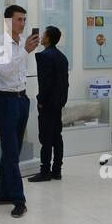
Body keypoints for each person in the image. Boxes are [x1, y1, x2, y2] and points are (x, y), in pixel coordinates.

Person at [0, 5, 37, 217]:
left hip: (21, 98)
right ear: (8, 21)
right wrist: (25, 51)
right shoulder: (0, 43)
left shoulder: (22, 41)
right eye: (19, 19)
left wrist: (25, 50)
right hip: (5, 100)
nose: (23, 23)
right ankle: (19, 199)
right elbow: (6, 72)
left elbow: (21, 73)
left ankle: (3, 193)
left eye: (25, 19)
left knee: (13, 151)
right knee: (10, 150)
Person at [29, 25, 68, 183]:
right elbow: (64, 82)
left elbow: (45, 82)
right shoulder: (62, 57)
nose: (41, 37)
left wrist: (41, 100)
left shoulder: (45, 56)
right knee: (56, 136)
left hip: (48, 103)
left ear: (48, 38)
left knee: (45, 138)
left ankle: (45, 171)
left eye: (43, 35)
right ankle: (57, 170)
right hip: (58, 102)